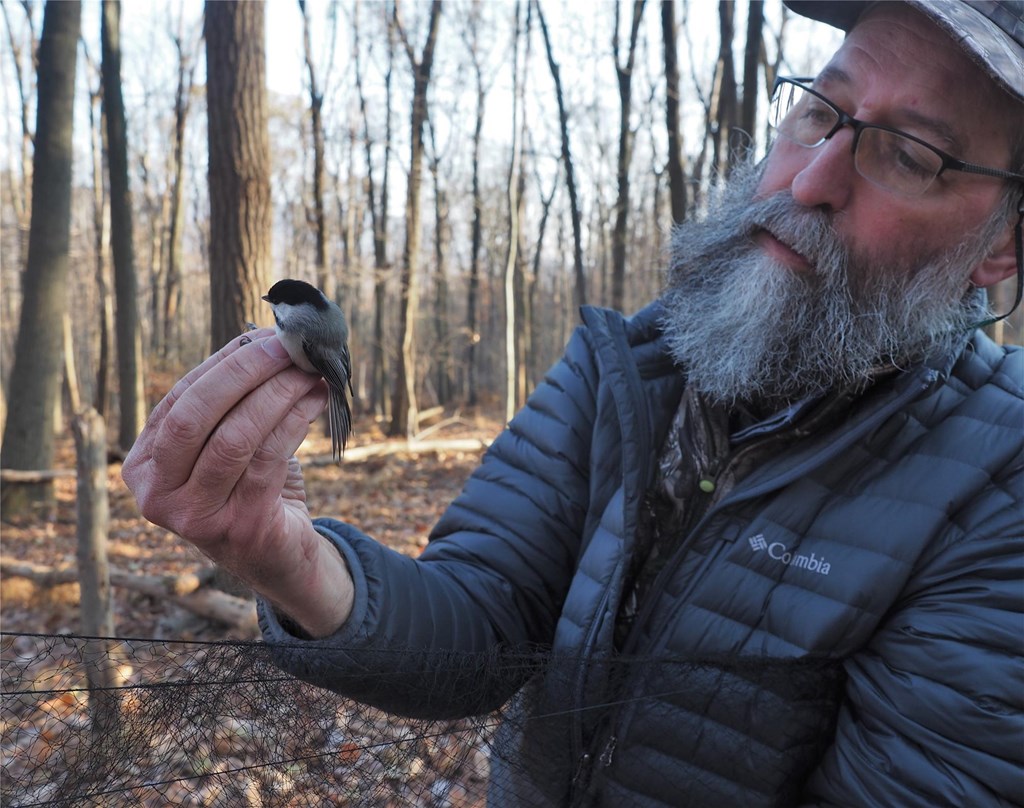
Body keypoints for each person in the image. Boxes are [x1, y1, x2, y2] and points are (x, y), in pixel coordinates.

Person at [123, 1, 1024, 805]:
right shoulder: (623, 367)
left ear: (1001, 248)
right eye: (820, 113)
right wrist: (292, 562)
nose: (809, 179)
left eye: (909, 155)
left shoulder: (999, 488)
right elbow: (481, 626)